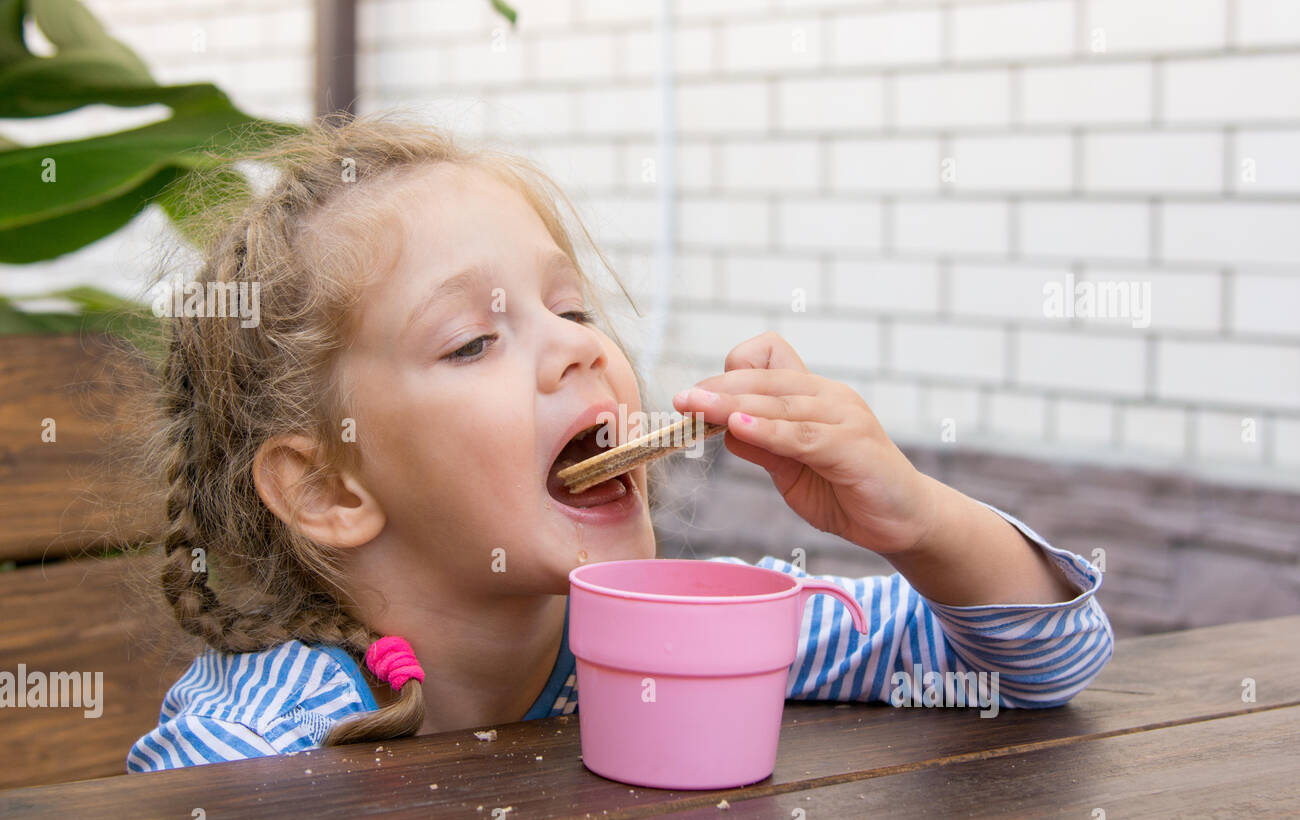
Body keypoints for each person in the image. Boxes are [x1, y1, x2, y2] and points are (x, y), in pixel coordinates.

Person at [125, 112, 1113, 772]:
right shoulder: (247, 746)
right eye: (473, 339)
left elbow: (1040, 661)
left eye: (572, 306)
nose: (576, 350)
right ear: (329, 488)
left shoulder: (690, 638)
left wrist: (913, 516)